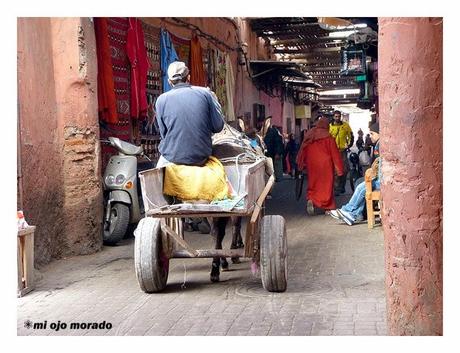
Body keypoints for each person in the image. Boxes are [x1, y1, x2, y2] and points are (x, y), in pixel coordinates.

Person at [155, 61, 225, 168]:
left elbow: (164, 134)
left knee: (156, 174)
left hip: (172, 157)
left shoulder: (161, 100)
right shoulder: (205, 93)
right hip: (202, 156)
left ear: (169, 82)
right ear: (188, 77)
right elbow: (218, 126)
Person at [328, 122, 380, 225]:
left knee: (361, 187)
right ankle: (353, 214)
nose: (370, 136)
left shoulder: (380, 145)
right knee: (360, 184)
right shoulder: (378, 144)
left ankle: (348, 211)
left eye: (372, 134)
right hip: (380, 178)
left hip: (381, 180)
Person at [297, 118, 344, 215]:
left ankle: (311, 199)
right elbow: (335, 154)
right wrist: (339, 170)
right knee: (326, 185)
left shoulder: (310, 135)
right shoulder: (328, 137)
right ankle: (327, 207)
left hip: (312, 164)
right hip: (326, 165)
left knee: (313, 183)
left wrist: (302, 164)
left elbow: (303, 150)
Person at [329, 110, 353, 195]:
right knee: (335, 170)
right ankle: (336, 188)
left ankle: (342, 186)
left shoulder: (345, 126)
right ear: (333, 117)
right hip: (333, 151)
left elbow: (351, 135)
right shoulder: (329, 127)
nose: (337, 118)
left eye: (339, 116)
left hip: (343, 151)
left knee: (345, 169)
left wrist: (349, 145)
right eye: (336, 116)